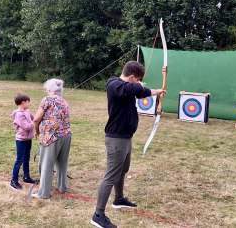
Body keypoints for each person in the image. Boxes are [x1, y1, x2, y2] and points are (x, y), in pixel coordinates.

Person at [90, 61, 166, 228]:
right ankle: (98, 215)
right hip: (116, 138)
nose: (138, 83)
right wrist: (140, 86)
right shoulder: (114, 84)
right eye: (137, 79)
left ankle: (119, 199)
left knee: (123, 169)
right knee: (111, 175)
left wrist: (157, 92)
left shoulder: (129, 87)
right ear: (131, 77)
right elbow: (135, 89)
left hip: (125, 137)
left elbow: (140, 92)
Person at [32, 78, 72, 199]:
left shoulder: (47, 100)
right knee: (62, 163)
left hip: (51, 137)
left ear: (49, 89)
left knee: (46, 165)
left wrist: (37, 130)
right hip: (66, 136)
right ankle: (62, 187)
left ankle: (43, 193)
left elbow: (36, 119)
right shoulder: (64, 101)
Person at [9, 93, 37, 190]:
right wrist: (34, 122)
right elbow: (27, 126)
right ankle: (13, 181)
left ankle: (26, 177)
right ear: (23, 102)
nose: (29, 104)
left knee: (26, 158)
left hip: (28, 139)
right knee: (19, 160)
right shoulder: (19, 115)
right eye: (28, 102)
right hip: (21, 140)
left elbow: (35, 118)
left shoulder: (27, 111)